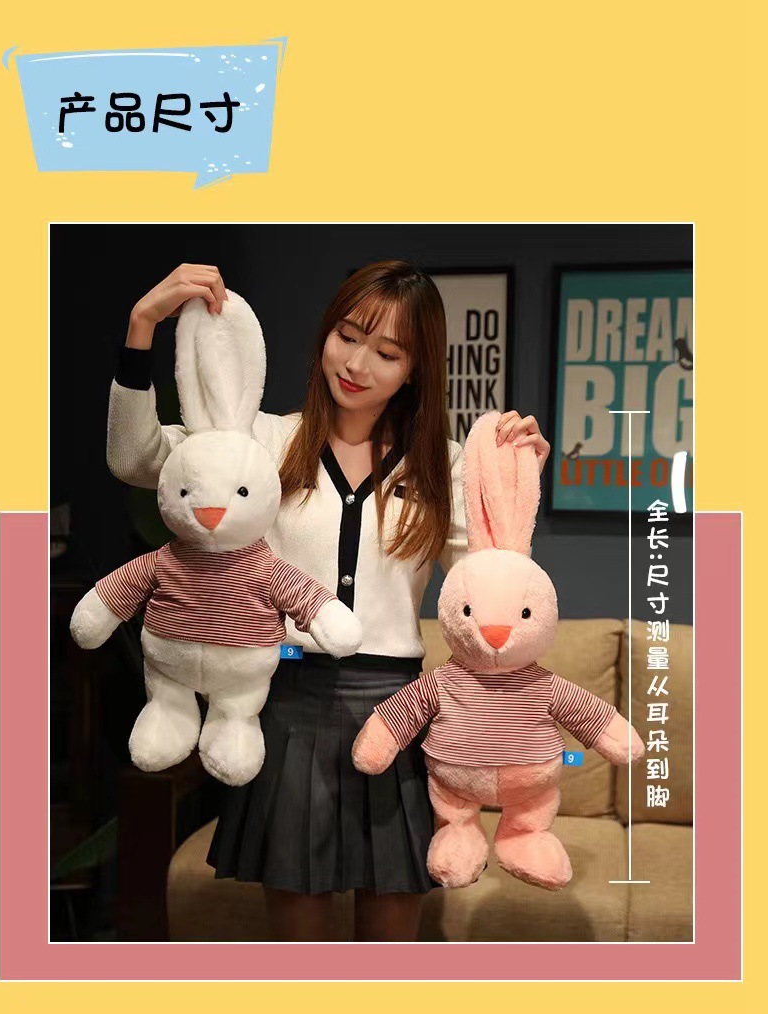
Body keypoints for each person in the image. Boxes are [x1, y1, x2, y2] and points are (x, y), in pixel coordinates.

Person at [106, 259, 551, 942]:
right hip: (286, 704)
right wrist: (142, 327)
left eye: (388, 353)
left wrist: (515, 482)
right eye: (348, 335)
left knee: (389, 955)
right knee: (299, 957)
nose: (358, 364)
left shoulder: (445, 463)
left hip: (398, 713)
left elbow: (488, 584)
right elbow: (134, 458)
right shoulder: (260, 441)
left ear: (416, 369)